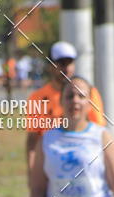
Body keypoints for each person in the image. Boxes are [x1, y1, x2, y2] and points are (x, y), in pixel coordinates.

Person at [25, 42, 105, 177]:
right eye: (61, 63)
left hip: (84, 167)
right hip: (49, 169)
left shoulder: (89, 94)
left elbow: (99, 135)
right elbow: (32, 140)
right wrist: (33, 174)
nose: (66, 68)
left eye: (69, 63)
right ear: (50, 65)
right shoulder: (37, 98)